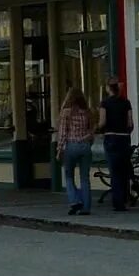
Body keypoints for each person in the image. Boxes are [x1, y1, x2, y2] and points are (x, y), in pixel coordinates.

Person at [56, 87, 94, 216]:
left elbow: (62, 133)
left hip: (71, 145)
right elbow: (91, 131)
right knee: (85, 178)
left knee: (69, 176)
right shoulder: (87, 112)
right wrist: (88, 142)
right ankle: (86, 207)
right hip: (85, 145)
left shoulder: (66, 112)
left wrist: (59, 149)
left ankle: (75, 200)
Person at [98, 77, 134, 212]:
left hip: (111, 137)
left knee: (114, 170)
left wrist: (99, 130)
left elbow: (102, 122)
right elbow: (130, 123)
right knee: (124, 170)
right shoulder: (126, 103)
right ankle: (125, 199)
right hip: (124, 138)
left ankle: (117, 202)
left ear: (108, 88)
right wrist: (127, 131)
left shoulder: (105, 103)